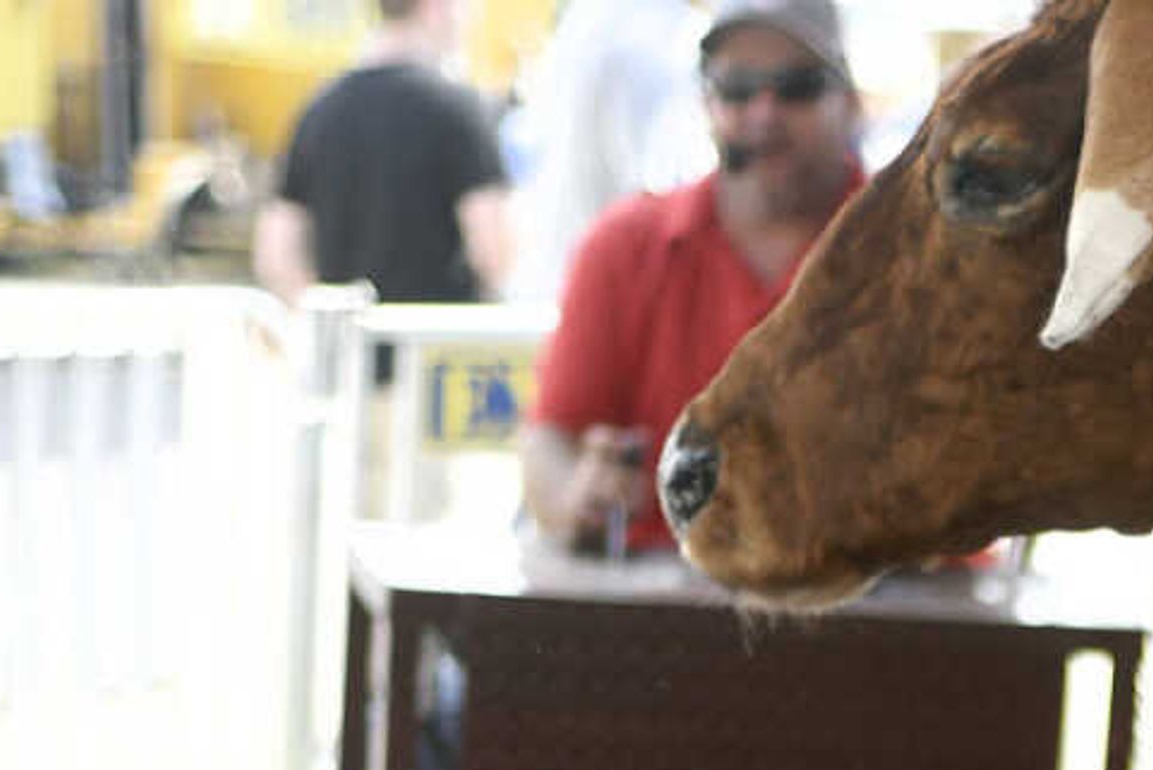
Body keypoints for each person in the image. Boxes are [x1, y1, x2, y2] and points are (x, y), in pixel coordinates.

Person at [519, 0, 858, 557]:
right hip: (666, 607)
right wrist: (577, 499)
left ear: (848, 102)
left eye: (796, 86)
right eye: (737, 87)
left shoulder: (921, 249)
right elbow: (549, 441)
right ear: (706, 100)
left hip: (878, 606)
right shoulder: (625, 245)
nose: (764, 112)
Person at [252, 0, 515, 312]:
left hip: (349, 348)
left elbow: (276, 251)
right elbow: (493, 250)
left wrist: (325, 321)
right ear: (435, 7)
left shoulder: (319, 111)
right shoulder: (460, 112)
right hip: (432, 348)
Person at [507, 0, 715, 306]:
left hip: (561, 285)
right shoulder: (658, 36)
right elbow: (660, 200)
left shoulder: (594, 16)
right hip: (618, 298)